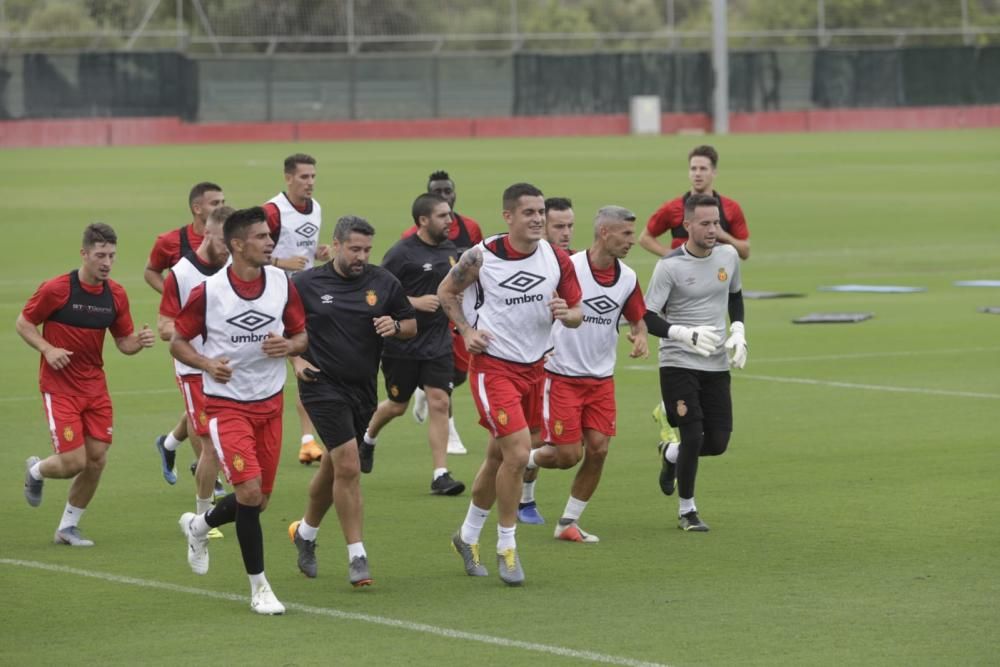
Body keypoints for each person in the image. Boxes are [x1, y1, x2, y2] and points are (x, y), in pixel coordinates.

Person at [438, 182, 582, 586]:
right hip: (493, 369)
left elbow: (578, 312)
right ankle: (507, 546)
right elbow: (446, 292)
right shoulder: (480, 257)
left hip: (536, 369)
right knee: (519, 454)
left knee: (499, 458)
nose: (538, 219)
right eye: (529, 213)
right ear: (509, 217)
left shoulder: (556, 258)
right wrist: (465, 331)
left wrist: (565, 313)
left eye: (541, 212)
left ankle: (466, 537)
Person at [171, 207, 308, 615]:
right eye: (262, 236)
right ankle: (260, 588)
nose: (270, 242)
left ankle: (198, 526)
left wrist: (289, 346)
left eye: (270, 235)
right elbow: (178, 341)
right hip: (226, 405)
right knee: (248, 493)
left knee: (259, 501)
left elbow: (301, 335)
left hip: (271, 403)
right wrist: (207, 364)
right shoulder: (209, 292)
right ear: (237, 244)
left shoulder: (282, 283)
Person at [287, 216, 416, 587]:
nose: (361, 256)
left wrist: (395, 327)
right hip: (320, 386)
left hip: (362, 390)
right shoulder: (306, 284)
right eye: (355, 249)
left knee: (333, 465)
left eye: (367, 250)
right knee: (348, 464)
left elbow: (410, 325)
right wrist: (297, 361)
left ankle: (305, 533)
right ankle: (357, 555)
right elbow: (283, 330)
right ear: (337, 245)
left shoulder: (383, 282)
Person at [18, 223, 156, 546]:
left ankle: (67, 527)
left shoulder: (116, 295)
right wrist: (47, 349)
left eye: (111, 255)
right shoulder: (57, 289)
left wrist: (140, 341)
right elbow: (24, 323)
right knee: (73, 462)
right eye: (100, 255)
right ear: (84, 254)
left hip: (95, 388)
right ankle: (37, 471)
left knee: (96, 459)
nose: (106, 262)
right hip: (60, 387)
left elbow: (123, 342)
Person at [523, 206, 648, 543]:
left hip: (601, 380)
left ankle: (567, 523)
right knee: (566, 456)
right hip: (562, 375)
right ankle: (521, 459)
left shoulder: (628, 277)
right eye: (625, 234)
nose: (631, 241)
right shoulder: (568, 268)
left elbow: (637, 316)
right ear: (604, 233)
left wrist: (640, 335)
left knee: (598, 450)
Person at [641, 193, 748, 532]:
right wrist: (682, 334)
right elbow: (646, 316)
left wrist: (739, 331)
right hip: (678, 362)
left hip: (716, 362)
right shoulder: (669, 266)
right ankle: (688, 511)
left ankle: (670, 455)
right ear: (687, 225)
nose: (713, 229)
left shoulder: (729, 256)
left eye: (716, 222)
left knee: (716, 442)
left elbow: (734, 295)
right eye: (705, 223)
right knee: (692, 436)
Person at [638, 145, 750, 464]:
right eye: (693, 168)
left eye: (703, 168)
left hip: (713, 282)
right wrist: (674, 262)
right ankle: (687, 503)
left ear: (714, 172)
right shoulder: (674, 208)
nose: (697, 174)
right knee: (691, 424)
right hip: (679, 295)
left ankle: (672, 447)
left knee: (714, 439)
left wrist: (720, 235)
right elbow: (645, 237)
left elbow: (744, 250)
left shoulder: (729, 209)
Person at [361, 194, 465, 496]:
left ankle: (440, 473)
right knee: (397, 406)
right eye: (443, 216)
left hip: (438, 343)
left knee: (440, 401)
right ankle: (367, 439)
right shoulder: (401, 253)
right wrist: (416, 302)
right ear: (423, 220)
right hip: (402, 345)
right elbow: (376, 294)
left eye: (450, 214)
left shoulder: (449, 250)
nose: (450, 220)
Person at [155, 206, 233, 538]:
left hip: (227, 368)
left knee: (224, 440)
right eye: (226, 240)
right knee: (211, 446)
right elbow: (164, 326)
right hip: (193, 369)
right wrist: (191, 332)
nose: (231, 247)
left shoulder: (232, 265)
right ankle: (201, 519)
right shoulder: (182, 273)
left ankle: (169, 444)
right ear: (207, 234)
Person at [147, 182, 226, 480]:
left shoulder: (228, 245)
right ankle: (211, 480)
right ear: (197, 208)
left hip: (219, 345)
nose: (220, 207)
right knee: (201, 417)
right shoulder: (172, 242)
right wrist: (178, 305)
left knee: (201, 408)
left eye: (223, 202)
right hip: (188, 346)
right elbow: (151, 271)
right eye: (214, 203)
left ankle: (168, 444)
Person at [406, 170, 484, 454]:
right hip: (432, 316)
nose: (444, 197)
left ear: (455, 193)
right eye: (437, 192)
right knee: (443, 375)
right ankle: (450, 432)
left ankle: (424, 389)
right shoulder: (411, 238)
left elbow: (480, 267)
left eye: (447, 191)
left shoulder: (471, 228)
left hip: (462, 311)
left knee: (461, 372)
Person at [263, 153, 331, 466]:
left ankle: (307, 440)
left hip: (304, 297)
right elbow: (247, 252)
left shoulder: (315, 209)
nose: (310, 183)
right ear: (288, 178)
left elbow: (306, 249)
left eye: (313, 177)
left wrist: (319, 251)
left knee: (308, 368)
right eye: (304, 177)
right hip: (272, 298)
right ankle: (188, 434)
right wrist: (280, 262)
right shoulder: (272, 212)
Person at [517, 195, 577, 524]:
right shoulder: (523, 262)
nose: (565, 232)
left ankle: (522, 496)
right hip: (522, 362)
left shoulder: (572, 263)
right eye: (559, 226)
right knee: (527, 437)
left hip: (564, 367)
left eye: (570, 226)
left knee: (553, 441)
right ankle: (519, 501)